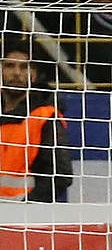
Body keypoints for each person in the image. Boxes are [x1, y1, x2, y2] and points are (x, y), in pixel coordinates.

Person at [1, 44, 72, 202]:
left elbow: (60, 176)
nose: (17, 73)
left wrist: (26, 207)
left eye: (24, 67)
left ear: (33, 74)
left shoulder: (45, 116)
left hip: (24, 219)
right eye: (9, 66)